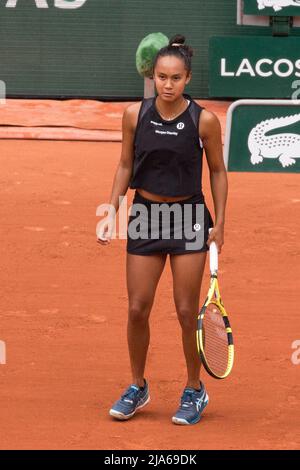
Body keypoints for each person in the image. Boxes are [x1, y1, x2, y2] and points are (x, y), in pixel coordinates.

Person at [97, 34, 228, 425]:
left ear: (187, 78)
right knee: (137, 308)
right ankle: (138, 385)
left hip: (188, 217)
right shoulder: (135, 116)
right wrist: (112, 209)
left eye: (175, 78)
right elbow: (124, 165)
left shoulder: (203, 120)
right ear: (152, 77)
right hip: (145, 217)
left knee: (188, 312)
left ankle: (193, 389)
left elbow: (218, 172)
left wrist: (220, 222)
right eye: (161, 77)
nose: (167, 85)